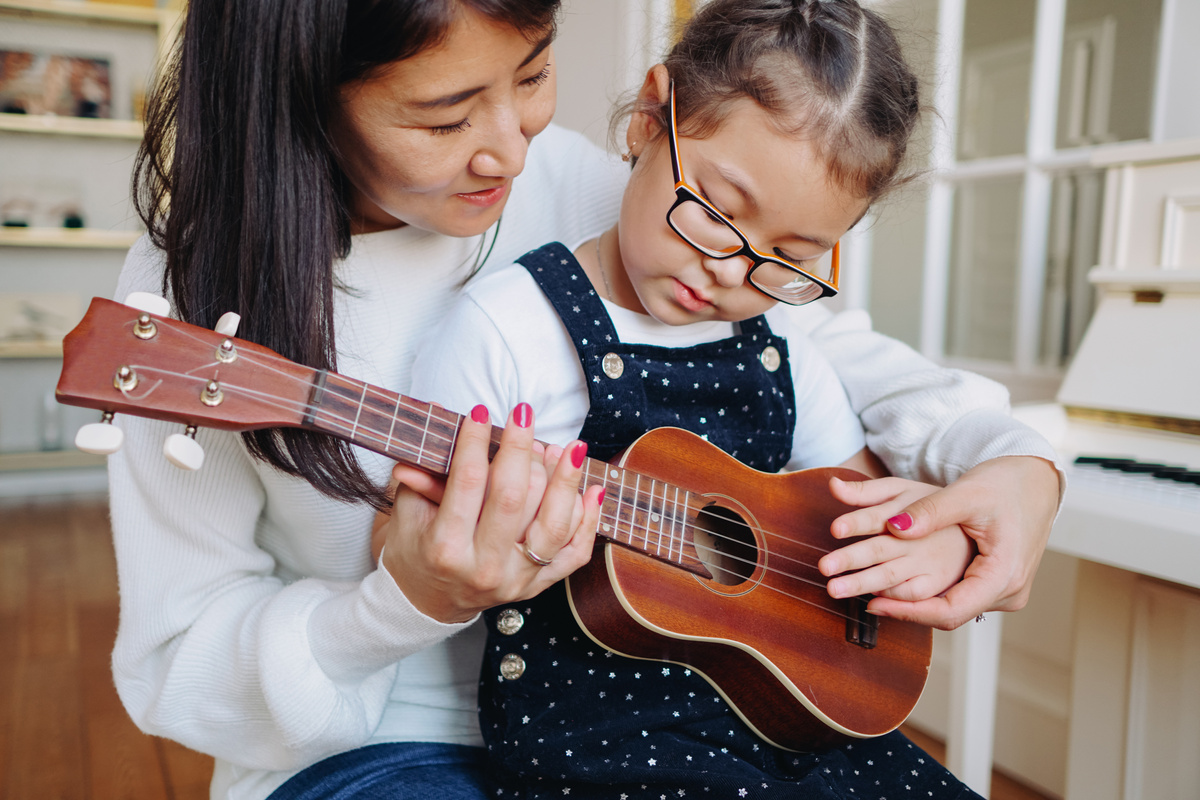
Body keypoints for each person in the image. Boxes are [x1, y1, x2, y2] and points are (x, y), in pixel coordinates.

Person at [108, 0, 1059, 798]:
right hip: (387, 743)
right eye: (444, 118)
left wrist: (1014, 465)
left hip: (713, 708)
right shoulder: (196, 289)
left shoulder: (644, 193)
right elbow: (175, 666)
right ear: (301, 86)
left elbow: (826, 354)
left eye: (531, 75)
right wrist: (404, 602)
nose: (511, 156)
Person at [401, 1, 1003, 796]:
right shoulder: (509, 329)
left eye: (790, 255)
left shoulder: (782, 342)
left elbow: (851, 509)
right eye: (717, 213)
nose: (732, 270)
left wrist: (913, 548)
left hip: (780, 720)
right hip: (601, 738)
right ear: (652, 119)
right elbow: (406, 537)